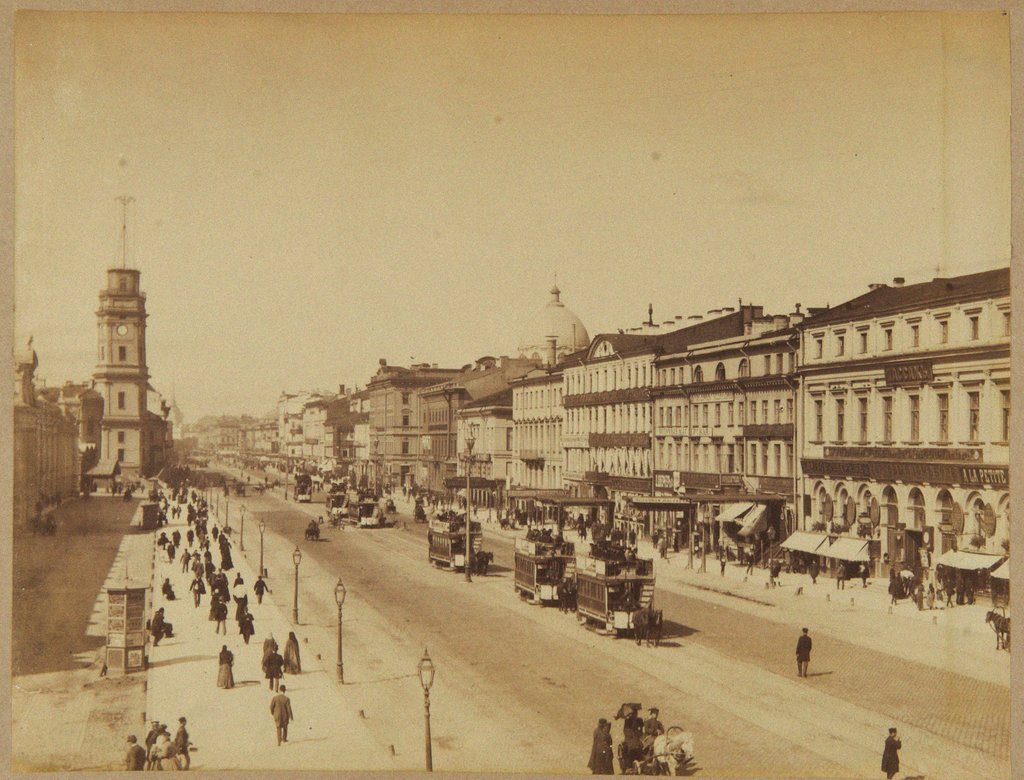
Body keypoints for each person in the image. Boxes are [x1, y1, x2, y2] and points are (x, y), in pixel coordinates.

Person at [619, 704, 643, 771]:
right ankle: (629, 765)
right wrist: (632, 733)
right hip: (630, 737)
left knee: (641, 745)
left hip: (637, 736)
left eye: (636, 713)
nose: (635, 714)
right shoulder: (628, 721)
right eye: (634, 713)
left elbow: (641, 729)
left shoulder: (639, 720)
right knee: (632, 746)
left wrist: (638, 732)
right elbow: (626, 730)